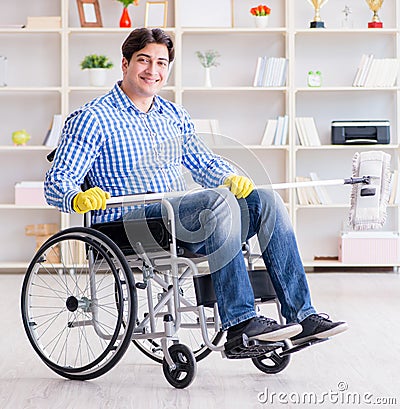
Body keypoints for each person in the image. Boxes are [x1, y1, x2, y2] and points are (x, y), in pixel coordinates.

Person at [45, 28, 347, 351]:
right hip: (131, 225)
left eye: (161, 63)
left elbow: (204, 164)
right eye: (144, 60)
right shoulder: (92, 119)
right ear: (125, 63)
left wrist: (231, 177)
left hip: (184, 219)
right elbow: (56, 181)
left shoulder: (174, 116)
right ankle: (241, 323)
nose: (153, 70)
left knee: (267, 200)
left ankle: (301, 317)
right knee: (215, 203)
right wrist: (77, 197)